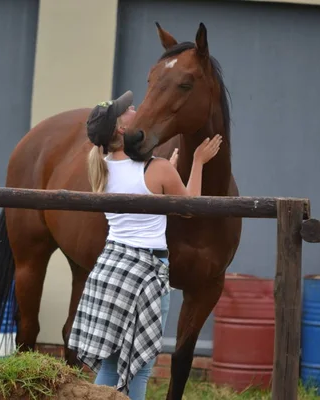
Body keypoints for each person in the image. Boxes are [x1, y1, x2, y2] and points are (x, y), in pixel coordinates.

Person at [67, 90, 222, 399]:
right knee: (139, 366)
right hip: (145, 272)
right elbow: (190, 207)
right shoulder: (158, 169)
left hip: (110, 269)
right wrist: (199, 162)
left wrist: (167, 166)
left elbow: (147, 185)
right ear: (122, 130)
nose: (135, 109)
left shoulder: (102, 166)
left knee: (111, 364)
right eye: (128, 110)